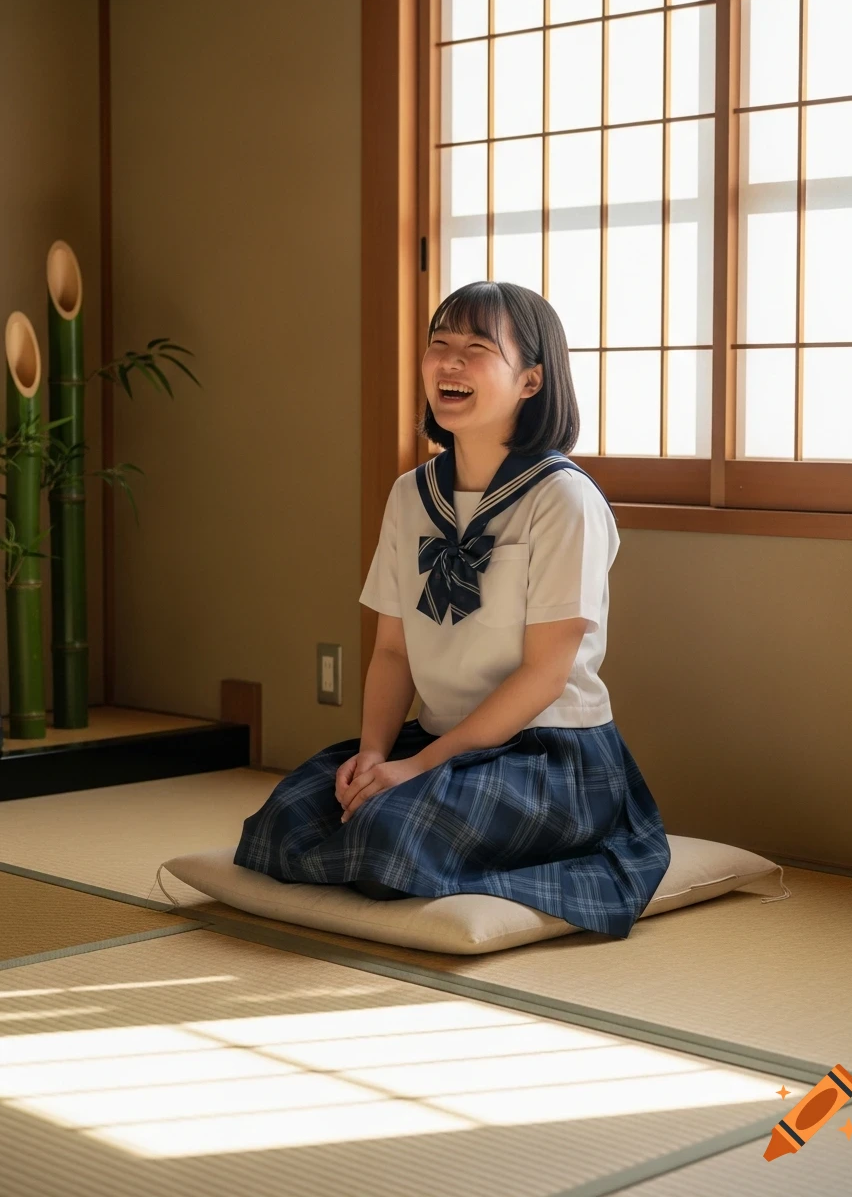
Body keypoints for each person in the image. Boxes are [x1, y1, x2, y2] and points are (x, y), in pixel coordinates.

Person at [233, 281, 671, 935]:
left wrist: (415, 770)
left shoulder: (564, 500)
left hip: (547, 755)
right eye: (439, 345)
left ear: (530, 380)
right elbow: (391, 650)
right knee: (282, 822)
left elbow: (544, 676)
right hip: (437, 739)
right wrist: (378, 756)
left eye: (476, 348)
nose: (450, 362)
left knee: (389, 841)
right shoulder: (411, 494)